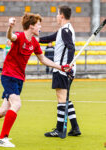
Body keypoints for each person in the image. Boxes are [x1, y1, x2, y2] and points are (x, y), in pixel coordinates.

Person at [0, 13, 71, 147]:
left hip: (19, 78)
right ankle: (2, 138)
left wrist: (61, 67)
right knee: (16, 104)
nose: (40, 27)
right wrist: (9, 27)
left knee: (3, 111)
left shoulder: (34, 42)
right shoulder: (19, 36)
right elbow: (10, 36)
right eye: (39, 25)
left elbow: (43, 59)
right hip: (9, 75)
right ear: (31, 26)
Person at [39, 5, 81, 137]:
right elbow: (49, 38)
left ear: (62, 15)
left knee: (61, 98)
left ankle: (59, 129)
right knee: (65, 98)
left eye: (57, 14)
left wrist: (67, 64)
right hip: (65, 68)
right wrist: (33, 39)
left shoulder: (65, 30)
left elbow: (71, 47)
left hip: (62, 69)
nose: (56, 16)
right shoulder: (64, 30)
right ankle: (75, 127)